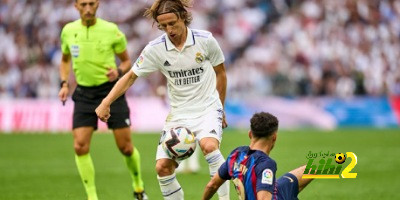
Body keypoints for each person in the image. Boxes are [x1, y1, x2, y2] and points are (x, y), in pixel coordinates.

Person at [95, 0, 230, 199]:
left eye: (172, 23)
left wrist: (220, 108)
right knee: (162, 167)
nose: (169, 29)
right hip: (178, 115)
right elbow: (131, 76)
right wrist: (106, 102)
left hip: (207, 108)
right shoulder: (155, 49)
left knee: (209, 147)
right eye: (163, 26)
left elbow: (221, 74)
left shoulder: (206, 40)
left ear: (183, 17)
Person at [58, 0, 147, 199]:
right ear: (76, 6)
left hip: (111, 92)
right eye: (83, 4)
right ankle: (92, 197)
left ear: (97, 4)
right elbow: (64, 60)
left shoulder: (111, 30)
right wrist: (64, 83)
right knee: (80, 146)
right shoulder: (68, 31)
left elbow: (126, 61)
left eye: (91, 4)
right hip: (83, 94)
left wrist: (118, 71)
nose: (88, 8)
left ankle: (138, 186)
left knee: (125, 147)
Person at [202, 112, 314, 200]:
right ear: (274, 137)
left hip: (276, 189)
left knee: (310, 169)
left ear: (250, 134)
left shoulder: (236, 155)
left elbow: (212, 185)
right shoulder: (266, 164)